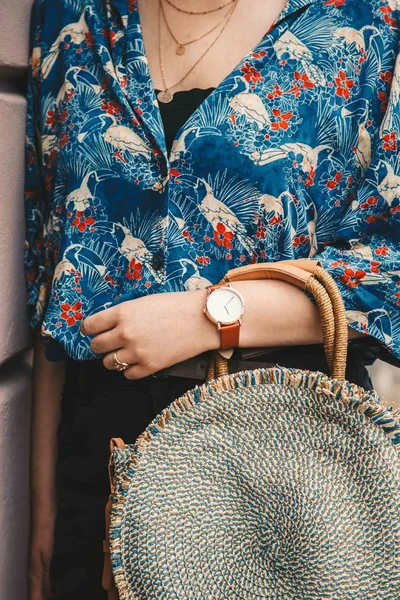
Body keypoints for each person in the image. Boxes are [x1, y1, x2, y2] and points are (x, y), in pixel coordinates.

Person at [24, 0, 400, 598]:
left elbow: (391, 266)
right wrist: (41, 504)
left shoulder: (367, 20)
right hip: (101, 448)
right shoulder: (74, 14)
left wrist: (212, 317)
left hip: (285, 451)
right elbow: (51, 267)